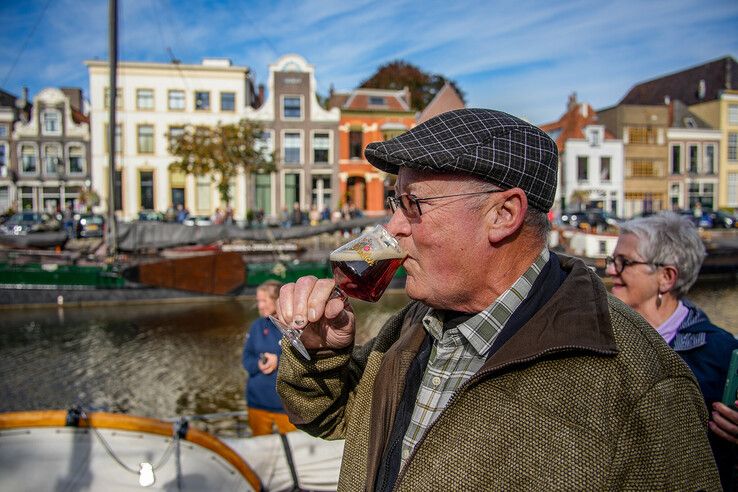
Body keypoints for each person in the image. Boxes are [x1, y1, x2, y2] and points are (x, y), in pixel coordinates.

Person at [274, 109, 719, 489]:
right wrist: (323, 351)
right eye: (395, 202)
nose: (391, 229)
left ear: (504, 214)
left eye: (413, 205)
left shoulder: (641, 384)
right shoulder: (415, 322)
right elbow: (329, 420)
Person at [607, 212, 738, 488]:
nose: (609, 270)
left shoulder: (723, 354)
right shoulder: (600, 335)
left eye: (624, 262)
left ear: (666, 277)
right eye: (612, 260)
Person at [242, 280, 297, 436]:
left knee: (294, 448)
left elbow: (304, 360)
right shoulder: (256, 326)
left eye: (263, 301)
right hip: (257, 403)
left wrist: (278, 361)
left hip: (286, 405)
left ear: (277, 300)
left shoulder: (291, 327)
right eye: (258, 301)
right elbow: (246, 359)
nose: (259, 306)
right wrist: (259, 364)